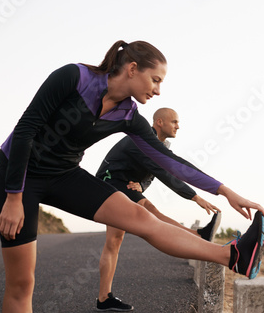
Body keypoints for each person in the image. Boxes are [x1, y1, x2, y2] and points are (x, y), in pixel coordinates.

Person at [0, 40, 264, 313]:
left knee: (142, 218)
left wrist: (225, 191)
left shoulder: (129, 116)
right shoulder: (74, 77)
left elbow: (170, 162)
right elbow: (26, 129)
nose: (158, 91)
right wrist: (14, 197)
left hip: (64, 174)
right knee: (22, 282)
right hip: (18, 174)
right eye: (155, 80)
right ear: (133, 69)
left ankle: (233, 257)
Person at [95, 107, 222, 311]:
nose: (178, 126)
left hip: (124, 183)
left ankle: (103, 298)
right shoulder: (142, 140)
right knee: (146, 213)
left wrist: (141, 186)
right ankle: (198, 235)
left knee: (115, 240)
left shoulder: (161, 145)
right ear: (159, 122)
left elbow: (151, 175)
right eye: (174, 122)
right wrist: (194, 196)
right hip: (109, 181)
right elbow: (164, 173)